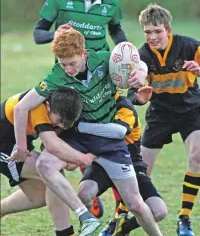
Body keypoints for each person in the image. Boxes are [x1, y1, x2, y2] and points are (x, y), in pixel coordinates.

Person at [12, 27, 163, 236]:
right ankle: (85, 216)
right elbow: (21, 107)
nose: (69, 69)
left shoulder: (103, 60)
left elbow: (140, 63)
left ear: (84, 54)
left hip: (109, 139)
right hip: (78, 137)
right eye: (63, 64)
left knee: (136, 204)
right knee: (44, 164)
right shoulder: (57, 76)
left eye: (72, 63)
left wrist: (141, 74)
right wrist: (21, 146)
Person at [33, 0, 128, 218]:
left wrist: (124, 49)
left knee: (108, 138)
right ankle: (73, 203)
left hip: (99, 78)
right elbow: (37, 32)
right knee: (60, 140)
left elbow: (115, 28)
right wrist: (54, 34)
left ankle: (101, 194)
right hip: (67, 84)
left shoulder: (111, 1)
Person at [128, 3, 200, 236]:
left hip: (191, 109)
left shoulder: (189, 46)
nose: (153, 36)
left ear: (168, 30)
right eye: (148, 32)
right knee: (141, 169)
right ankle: (121, 217)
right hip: (160, 113)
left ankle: (185, 219)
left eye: (157, 31)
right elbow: (133, 94)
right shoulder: (141, 56)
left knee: (197, 155)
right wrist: (139, 97)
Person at [0, 87, 100, 236]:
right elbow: (52, 146)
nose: (61, 126)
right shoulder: (39, 110)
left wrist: (73, 157)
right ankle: (65, 232)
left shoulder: (63, 106)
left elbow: (47, 145)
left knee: (38, 196)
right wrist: (84, 159)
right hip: (4, 145)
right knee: (51, 171)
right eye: (58, 122)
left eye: (68, 124)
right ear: (48, 106)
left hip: (17, 140)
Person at [77, 88, 167, 236]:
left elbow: (117, 132)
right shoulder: (90, 107)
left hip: (130, 166)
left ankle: (123, 227)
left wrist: (82, 127)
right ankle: (86, 226)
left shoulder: (125, 108)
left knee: (159, 212)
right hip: (101, 166)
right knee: (83, 194)